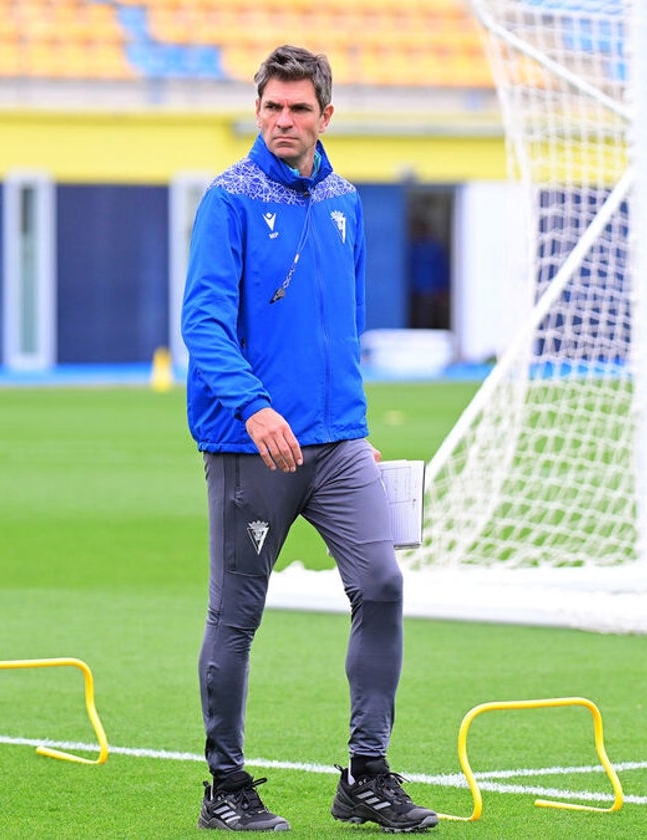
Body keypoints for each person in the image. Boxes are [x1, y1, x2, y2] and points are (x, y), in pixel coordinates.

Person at [180, 44, 440, 834]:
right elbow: (203, 323)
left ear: (327, 115)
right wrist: (256, 410)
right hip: (249, 447)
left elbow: (341, 330)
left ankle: (366, 776)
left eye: (298, 109)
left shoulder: (347, 201)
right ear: (258, 109)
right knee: (238, 615)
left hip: (337, 446)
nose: (283, 121)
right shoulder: (226, 200)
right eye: (271, 107)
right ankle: (225, 786)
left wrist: (354, 426)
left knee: (383, 585)